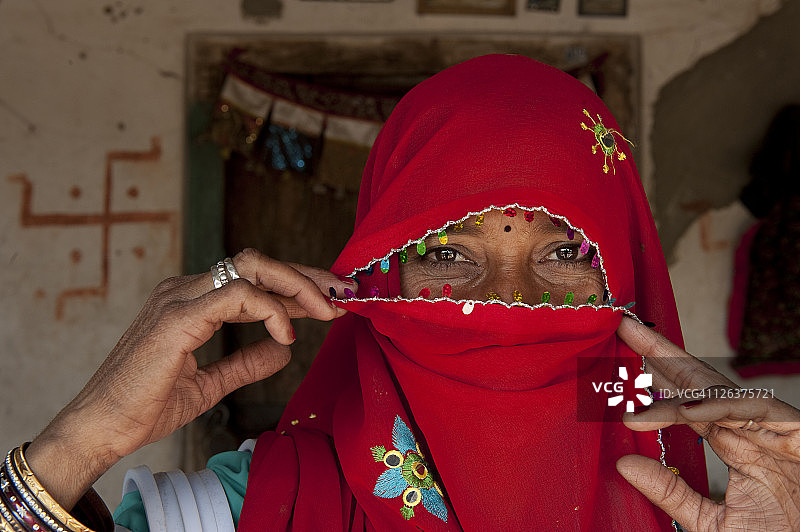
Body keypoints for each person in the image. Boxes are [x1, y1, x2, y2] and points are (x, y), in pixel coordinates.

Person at [4, 55, 800, 532]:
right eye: (448, 254)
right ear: (377, 277)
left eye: (564, 251)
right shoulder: (249, 509)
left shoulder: (712, 502)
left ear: (626, 279)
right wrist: (84, 440)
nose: (507, 303)